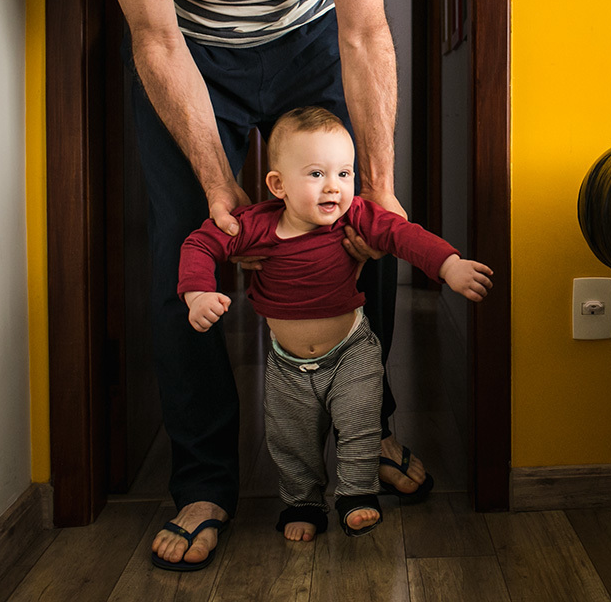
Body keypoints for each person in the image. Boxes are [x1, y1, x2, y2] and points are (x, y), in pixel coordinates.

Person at [83, 0, 427, 569]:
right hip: (188, 50)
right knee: (189, 250)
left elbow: (365, 31)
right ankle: (202, 482)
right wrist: (217, 184)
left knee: (363, 225)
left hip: (310, 41)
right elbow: (155, 36)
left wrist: (381, 184)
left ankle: (367, 439)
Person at [178, 108, 492, 541]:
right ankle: (302, 502)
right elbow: (200, 242)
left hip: (352, 351)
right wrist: (196, 291)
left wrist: (448, 265)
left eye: (345, 173)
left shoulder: (355, 216)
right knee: (292, 441)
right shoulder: (256, 225)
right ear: (277, 185)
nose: (334, 187)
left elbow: (404, 235)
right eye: (316, 174)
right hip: (287, 365)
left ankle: (357, 495)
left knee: (361, 427)